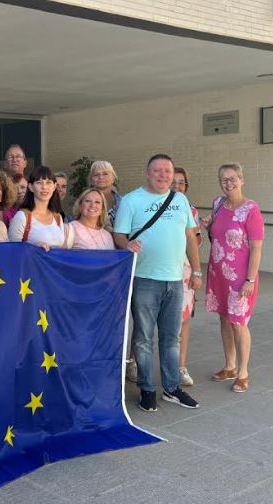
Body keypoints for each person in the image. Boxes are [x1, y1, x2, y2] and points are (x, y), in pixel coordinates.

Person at [113, 154, 202, 412]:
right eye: (157, 170)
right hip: (144, 279)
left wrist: (196, 271)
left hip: (175, 280)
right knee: (143, 339)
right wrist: (127, 244)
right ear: (148, 173)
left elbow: (190, 237)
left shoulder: (180, 200)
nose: (163, 175)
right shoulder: (131, 200)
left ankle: (172, 388)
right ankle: (147, 389)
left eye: (167, 171)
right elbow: (119, 234)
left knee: (171, 338)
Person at [202, 163, 264, 393]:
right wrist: (206, 225)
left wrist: (250, 279)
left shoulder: (251, 209)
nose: (228, 184)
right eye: (224, 180)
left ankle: (243, 372)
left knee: (238, 323)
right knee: (224, 319)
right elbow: (214, 234)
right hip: (219, 273)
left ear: (241, 180)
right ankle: (229, 366)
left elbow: (256, 248)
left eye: (232, 179)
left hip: (240, 277)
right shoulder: (218, 204)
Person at [172, 167, 201, 387]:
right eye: (173, 182)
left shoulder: (191, 210)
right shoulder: (153, 205)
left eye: (181, 182)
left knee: (182, 320)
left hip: (183, 270)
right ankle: (135, 362)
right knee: (147, 322)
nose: (177, 186)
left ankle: (180, 366)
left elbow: (196, 242)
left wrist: (197, 272)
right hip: (157, 270)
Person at [8, 165, 71, 249]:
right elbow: (13, 251)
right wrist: (35, 249)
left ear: (54, 187)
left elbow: (62, 250)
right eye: (39, 182)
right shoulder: (22, 217)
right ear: (30, 187)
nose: (44, 187)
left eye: (48, 182)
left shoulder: (57, 217)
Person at [88, 161, 122, 229]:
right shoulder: (84, 202)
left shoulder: (123, 202)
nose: (101, 177)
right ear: (91, 180)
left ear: (113, 178)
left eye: (105, 174)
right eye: (96, 174)